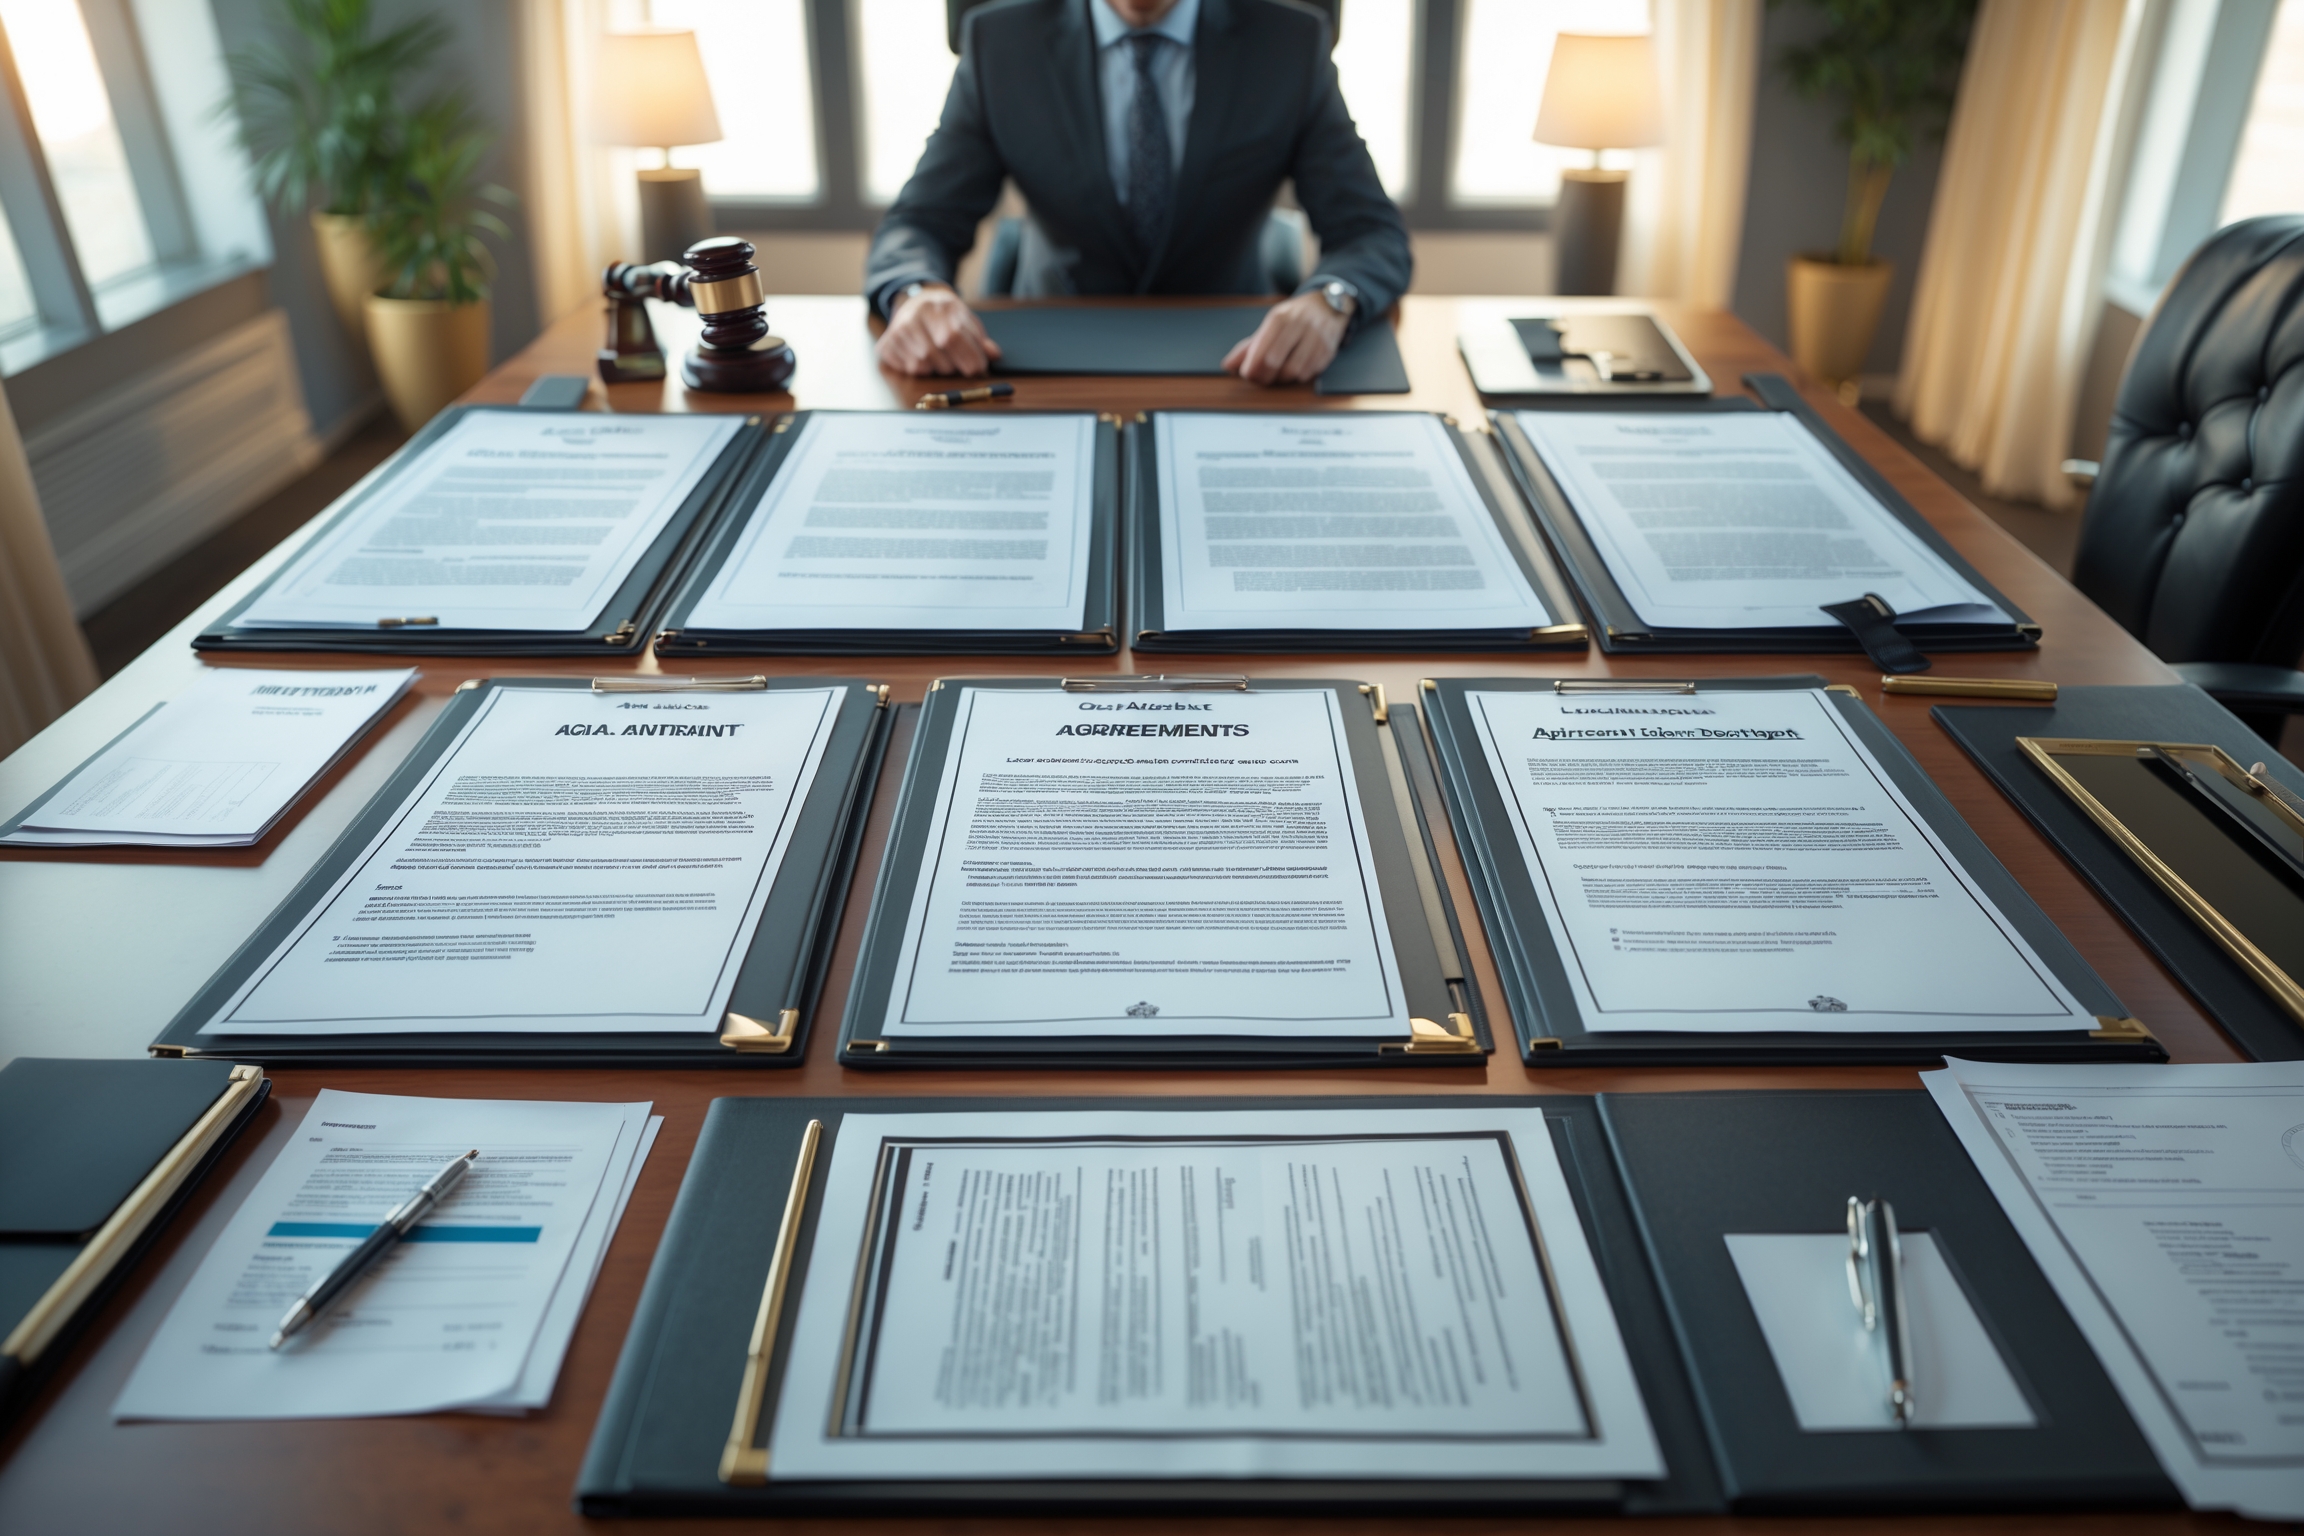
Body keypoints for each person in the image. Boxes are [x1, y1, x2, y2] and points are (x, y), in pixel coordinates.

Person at [864, 0, 1412, 386]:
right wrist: (915, 291)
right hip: (1042, 360)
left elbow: (1370, 233)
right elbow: (920, 223)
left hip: (1238, 359)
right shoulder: (999, 43)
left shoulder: (1289, 44)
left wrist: (1332, 298)